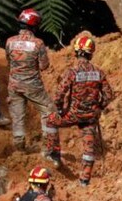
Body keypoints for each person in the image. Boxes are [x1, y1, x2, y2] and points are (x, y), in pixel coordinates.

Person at [46, 35, 114, 186]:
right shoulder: (99, 72)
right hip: (90, 117)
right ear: (91, 53)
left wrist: (59, 109)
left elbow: (59, 95)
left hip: (72, 114)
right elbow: (109, 95)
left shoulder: (72, 72)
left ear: (77, 52)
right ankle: (84, 181)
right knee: (89, 147)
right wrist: (98, 108)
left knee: (50, 121)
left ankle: (54, 154)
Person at [5, 9, 58, 153]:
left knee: (17, 116)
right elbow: (44, 66)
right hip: (33, 86)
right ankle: (48, 147)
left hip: (14, 85)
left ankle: (19, 148)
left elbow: (9, 61)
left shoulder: (10, 42)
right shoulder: (38, 43)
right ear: (35, 26)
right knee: (49, 110)